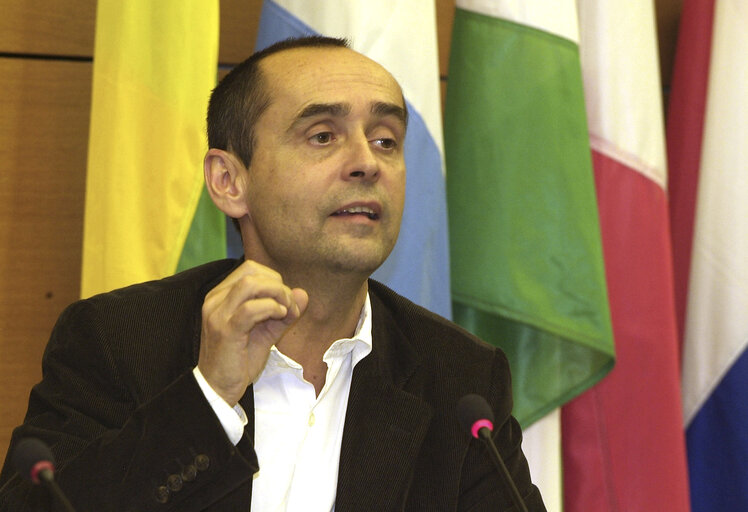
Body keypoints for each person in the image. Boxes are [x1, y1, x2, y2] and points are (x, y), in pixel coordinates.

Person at [0, 36, 545, 511]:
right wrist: (209, 395)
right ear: (229, 181)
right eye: (323, 136)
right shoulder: (118, 340)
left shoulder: (458, 379)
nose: (367, 163)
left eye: (385, 140)